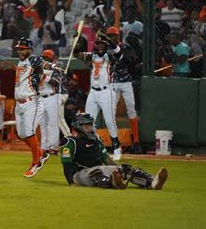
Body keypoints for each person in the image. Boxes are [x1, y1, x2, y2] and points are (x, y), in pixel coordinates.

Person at [60, 113, 168, 190]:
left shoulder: (96, 139)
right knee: (96, 174)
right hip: (79, 174)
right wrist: (71, 183)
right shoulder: (70, 142)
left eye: (91, 125)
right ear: (79, 127)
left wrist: (118, 170)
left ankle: (153, 182)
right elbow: (67, 164)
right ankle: (113, 182)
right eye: (87, 125)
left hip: (98, 169)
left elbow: (106, 158)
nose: (91, 128)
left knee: (125, 168)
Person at [75, 33, 123, 160]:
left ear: (106, 46)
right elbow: (78, 55)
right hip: (93, 92)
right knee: (89, 121)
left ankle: (116, 146)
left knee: (109, 121)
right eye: (98, 44)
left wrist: (110, 41)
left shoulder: (110, 56)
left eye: (102, 44)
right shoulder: (93, 56)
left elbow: (119, 52)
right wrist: (78, 41)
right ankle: (94, 147)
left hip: (107, 92)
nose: (100, 46)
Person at [13, 38, 52, 178]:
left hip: (32, 102)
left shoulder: (33, 59)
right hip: (19, 104)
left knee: (29, 132)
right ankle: (41, 154)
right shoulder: (21, 62)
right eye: (19, 48)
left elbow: (43, 63)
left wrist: (53, 67)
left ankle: (36, 163)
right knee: (21, 134)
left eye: (23, 49)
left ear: (30, 49)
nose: (20, 51)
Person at [107, 27, 142, 154]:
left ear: (118, 36)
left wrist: (119, 52)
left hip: (126, 81)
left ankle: (136, 142)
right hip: (113, 83)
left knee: (131, 109)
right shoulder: (105, 50)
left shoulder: (126, 47)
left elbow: (131, 60)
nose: (111, 38)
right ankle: (114, 142)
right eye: (109, 36)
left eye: (113, 35)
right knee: (111, 111)